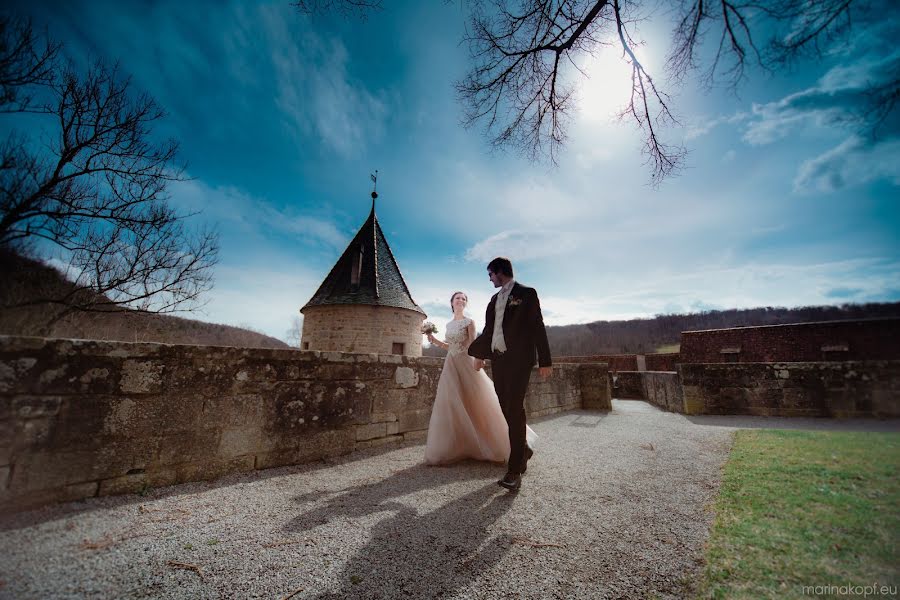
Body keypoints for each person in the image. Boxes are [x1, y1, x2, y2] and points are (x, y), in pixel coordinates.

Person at [424, 291, 537, 466]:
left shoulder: (469, 322)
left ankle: (517, 445)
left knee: (481, 402)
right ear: (451, 303)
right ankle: (462, 446)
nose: (460, 300)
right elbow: (450, 346)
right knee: (452, 403)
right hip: (451, 365)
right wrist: (435, 340)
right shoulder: (448, 324)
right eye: (457, 298)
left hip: (466, 363)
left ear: (465, 303)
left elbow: (472, 345)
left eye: (463, 299)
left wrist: (479, 358)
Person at [468, 257, 552, 491]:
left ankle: (514, 470)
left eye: (490, 274)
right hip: (499, 360)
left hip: (519, 361)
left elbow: (537, 325)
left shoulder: (526, 293)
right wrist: (480, 354)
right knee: (505, 407)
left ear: (500, 272)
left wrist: (545, 360)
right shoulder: (494, 299)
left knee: (514, 408)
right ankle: (523, 450)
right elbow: (489, 330)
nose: (489, 279)